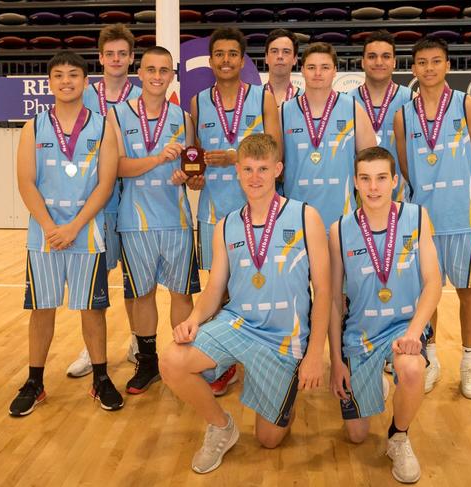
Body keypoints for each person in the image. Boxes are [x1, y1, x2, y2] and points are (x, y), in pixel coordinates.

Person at [159, 133, 330, 474]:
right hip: (240, 324)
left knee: (269, 438)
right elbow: (214, 289)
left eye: (263, 169)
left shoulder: (305, 217)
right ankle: (222, 427)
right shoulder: (226, 226)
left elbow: (324, 291)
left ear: (278, 170)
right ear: (237, 171)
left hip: (284, 338)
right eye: (248, 169)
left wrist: (314, 355)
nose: (255, 177)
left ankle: (283, 388)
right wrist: (194, 318)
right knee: (172, 360)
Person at [10, 51, 122, 416]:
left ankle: (101, 379)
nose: (66, 81)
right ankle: (35, 382)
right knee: (41, 309)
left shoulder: (103, 126)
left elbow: (105, 184)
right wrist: (49, 226)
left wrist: (74, 226)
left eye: (73, 75)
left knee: (93, 309)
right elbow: (25, 182)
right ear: (50, 83)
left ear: (85, 82)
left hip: (86, 232)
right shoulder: (34, 126)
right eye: (58, 75)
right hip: (44, 234)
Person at [328, 146, 441, 483]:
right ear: (356, 183)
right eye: (365, 179)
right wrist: (335, 360)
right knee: (357, 435)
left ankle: (399, 436)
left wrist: (414, 332)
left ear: (395, 181)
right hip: (360, 335)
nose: (373, 187)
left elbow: (433, 283)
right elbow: (334, 300)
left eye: (381, 178)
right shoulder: (339, 230)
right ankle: (374, 376)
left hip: (402, 329)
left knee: (411, 367)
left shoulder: (417, 217)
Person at [394, 36, 471, 398]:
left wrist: (453, 191)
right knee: (426, 297)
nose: (428, 68)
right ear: (413, 68)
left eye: (435, 61)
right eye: (421, 62)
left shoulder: (468, 105)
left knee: (468, 293)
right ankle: (431, 359)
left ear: (447, 65)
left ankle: (469, 362)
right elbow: (405, 167)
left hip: (462, 218)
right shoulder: (404, 115)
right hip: (423, 221)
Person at [190, 27, 281, 394]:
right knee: (218, 289)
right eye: (219, 54)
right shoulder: (198, 102)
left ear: (243, 61)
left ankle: (263, 353)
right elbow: (194, 157)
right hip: (214, 211)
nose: (226, 60)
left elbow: (277, 151)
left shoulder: (263, 98)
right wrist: (192, 177)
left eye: (232, 54)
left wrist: (236, 158)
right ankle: (223, 360)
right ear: (211, 61)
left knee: (257, 285)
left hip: (256, 212)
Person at [106, 46, 201, 394]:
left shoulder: (183, 118)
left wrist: (187, 176)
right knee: (142, 294)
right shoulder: (117, 115)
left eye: (164, 70)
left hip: (176, 220)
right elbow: (115, 166)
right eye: (151, 69)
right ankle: (148, 362)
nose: (157, 76)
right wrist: (159, 158)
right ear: (140, 73)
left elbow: (192, 167)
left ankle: (180, 360)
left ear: (172, 75)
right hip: (135, 221)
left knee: (182, 295)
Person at [68, 23, 143, 378]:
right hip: (95, 202)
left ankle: (136, 341)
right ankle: (90, 348)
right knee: (92, 281)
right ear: (100, 58)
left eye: (122, 53)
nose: (116, 59)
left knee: (134, 279)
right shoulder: (83, 96)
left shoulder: (145, 95)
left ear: (131, 58)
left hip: (134, 199)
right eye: (109, 54)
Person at [281, 42, 377, 232]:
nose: (318, 73)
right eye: (311, 67)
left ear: (335, 71)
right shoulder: (284, 112)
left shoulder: (353, 108)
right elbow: (275, 163)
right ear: (302, 70)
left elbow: (371, 162)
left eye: (325, 67)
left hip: (342, 217)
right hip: (297, 216)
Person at [347, 30, 413, 202]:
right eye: (372, 56)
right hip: (360, 197)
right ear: (362, 62)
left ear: (394, 62)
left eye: (385, 56)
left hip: (400, 196)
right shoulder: (346, 102)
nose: (379, 62)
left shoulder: (411, 100)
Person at [263, 28, 303, 107]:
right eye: (274, 51)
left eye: (286, 52)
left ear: (295, 59)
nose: (280, 56)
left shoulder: (305, 98)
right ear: (266, 58)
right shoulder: (252, 97)